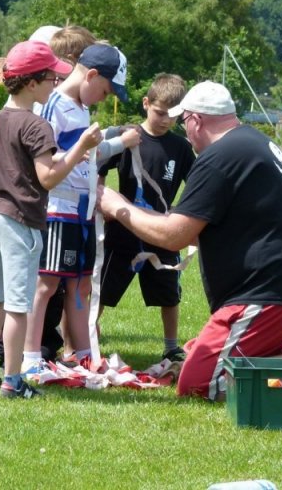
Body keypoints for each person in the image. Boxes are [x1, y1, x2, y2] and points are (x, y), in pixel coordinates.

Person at [97, 80, 282, 404]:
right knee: (196, 355)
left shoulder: (219, 157)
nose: (184, 132)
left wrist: (118, 206)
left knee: (198, 383)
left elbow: (175, 236)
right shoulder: (252, 143)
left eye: (184, 122)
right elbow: (195, 226)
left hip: (264, 297)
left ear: (196, 120)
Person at [0, 40, 103, 398]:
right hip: (20, 222)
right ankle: (12, 380)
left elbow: (0, 167)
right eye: (50, 79)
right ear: (31, 83)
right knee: (18, 305)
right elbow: (48, 179)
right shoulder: (37, 125)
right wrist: (81, 146)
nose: (55, 85)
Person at [23, 43, 135, 375]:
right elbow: (42, 158)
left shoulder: (81, 108)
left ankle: (85, 355)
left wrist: (113, 145)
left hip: (81, 210)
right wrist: (84, 149)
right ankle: (30, 358)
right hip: (57, 206)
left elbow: (85, 156)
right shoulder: (53, 104)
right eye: (105, 90)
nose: (103, 98)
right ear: (91, 75)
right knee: (46, 284)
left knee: (81, 284)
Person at [97, 73, 195, 363]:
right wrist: (102, 203)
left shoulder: (181, 147)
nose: (166, 120)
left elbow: (196, 185)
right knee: (101, 290)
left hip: (162, 232)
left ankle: (171, 347)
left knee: (169, 294)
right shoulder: (128, 138)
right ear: (146, 103)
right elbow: (98, 168)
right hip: (123, 229)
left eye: (173, 116)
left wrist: (180, 213)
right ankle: (85, 339)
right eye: (160, 112)